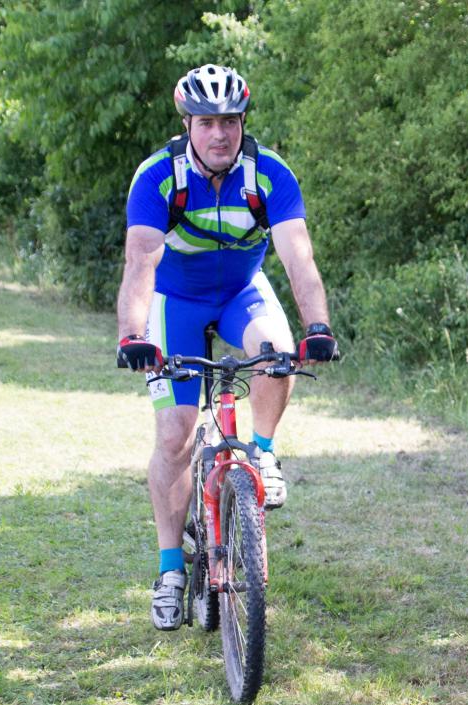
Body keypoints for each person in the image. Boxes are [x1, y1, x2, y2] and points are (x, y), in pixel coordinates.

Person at [116, 64, 337, 632]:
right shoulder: (158, 177)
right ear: (187, 125)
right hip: (176, 302)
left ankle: (261, 452)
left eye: (230, 122)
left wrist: (318, 325)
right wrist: (133, 335)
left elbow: (298, 258)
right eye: (207, 122)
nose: (220, 133)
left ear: (242, 123)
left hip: (242, 292)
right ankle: (171, 571)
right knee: (175, 434)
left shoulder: (268, 174)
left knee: (278, 352)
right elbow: (140, 263)